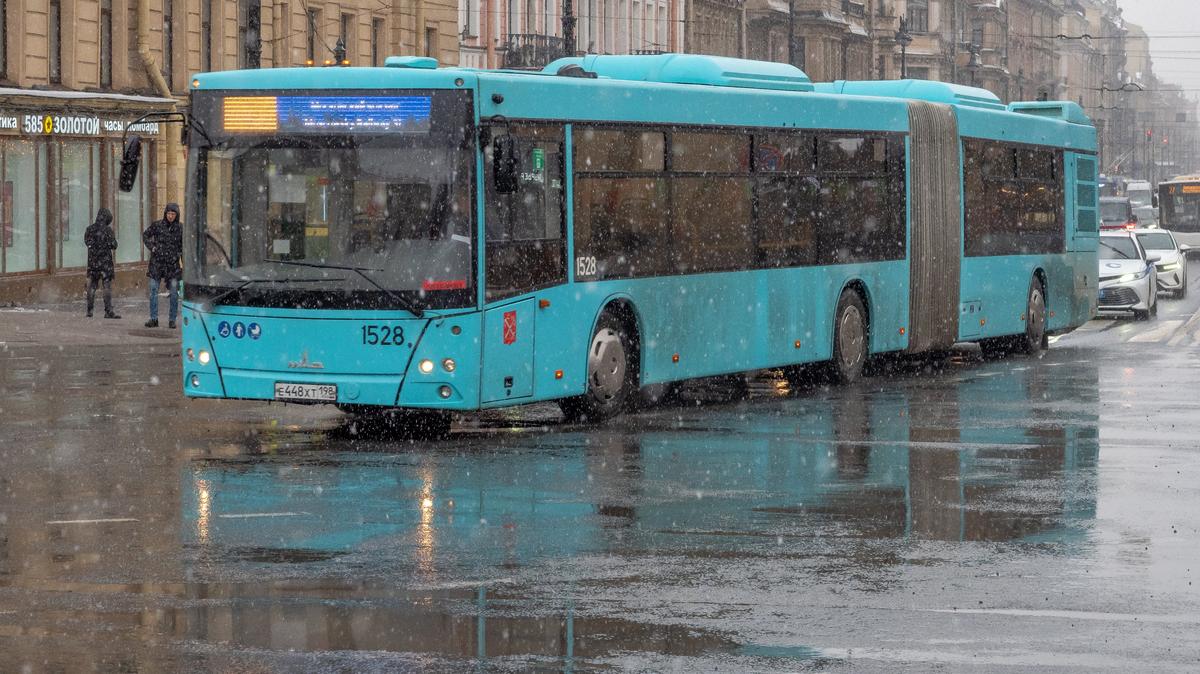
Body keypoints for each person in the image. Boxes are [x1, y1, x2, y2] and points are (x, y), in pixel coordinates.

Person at [143, 203, 182, 328]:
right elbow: (145, 235)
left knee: (174, 292)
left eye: (173, 214)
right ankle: (153, 318)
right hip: (157, 263)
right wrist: (152, 247)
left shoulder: (180, 228)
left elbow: (183, 246)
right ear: (165, 214)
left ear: (177, 215)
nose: (170, 216)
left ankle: (172, 319)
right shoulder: (157, 225)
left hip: (173, 264)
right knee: (153, 289)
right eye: (169, 213)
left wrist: (180, 257)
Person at [84, 208, 120, 319]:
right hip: (105, 263)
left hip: (93, 262)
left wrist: (95, 248)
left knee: (92, 286)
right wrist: (107, 244)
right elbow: (114, 245)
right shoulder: (108, 230)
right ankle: (108, 311)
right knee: (106, 286)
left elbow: (87, 243)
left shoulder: (90, 229)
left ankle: (89, 310)